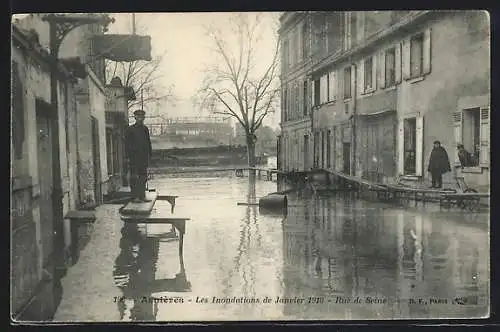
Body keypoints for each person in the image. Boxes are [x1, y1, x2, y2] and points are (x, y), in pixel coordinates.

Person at [125, 109, 153, 202]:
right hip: (133, 157)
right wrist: (127, 157)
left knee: (143, 177)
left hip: (143, 157)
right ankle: (135, 197)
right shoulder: (130, 129)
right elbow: (127, 144)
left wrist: (149, 155)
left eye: (142, 117)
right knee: (134, 177)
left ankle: (142, 196)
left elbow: (148, 143)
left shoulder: (145, 129)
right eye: (139, 117)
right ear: (135, 117)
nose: (140, 119)